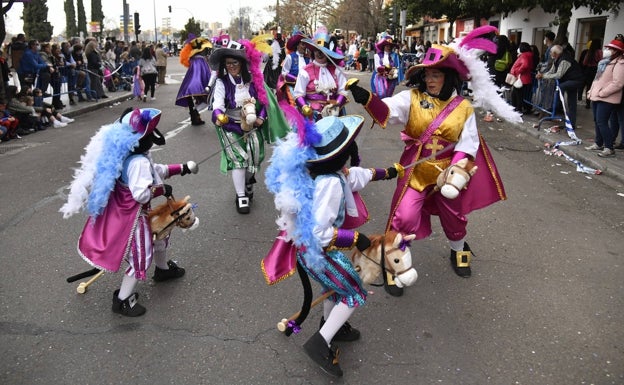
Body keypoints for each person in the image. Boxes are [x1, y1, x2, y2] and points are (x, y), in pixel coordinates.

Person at [348, 26, 519, 296]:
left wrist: (456, 170)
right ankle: (396, 264)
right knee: (403, 216)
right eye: (427, 74)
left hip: (447, 174)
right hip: (415, 170)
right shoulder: (412, 98)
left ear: (449, 77)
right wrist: (368, 99)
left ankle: (458, 248)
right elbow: (390, 110)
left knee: (454, 217)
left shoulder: (463, 108)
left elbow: (468, 143)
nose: (430, 80)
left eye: (436, 74)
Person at [263, 115, 399, 377]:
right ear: (344, 153)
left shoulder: (329, 174)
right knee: (354, 292)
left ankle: (332, 325)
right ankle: (320, 342)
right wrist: (355, 238)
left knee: (333, 287)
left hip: (309, 249)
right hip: (317, 251)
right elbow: (318, 232)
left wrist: (389, 172)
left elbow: (359, 176)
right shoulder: (331, 185)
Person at [60, 108, 199, 317]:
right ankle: (123, 299)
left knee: (161, 235)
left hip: (130, 214)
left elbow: (157, 170)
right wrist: (163, 190)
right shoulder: (139, 162)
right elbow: (141, 194)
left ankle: (162, 270)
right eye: (150, 134)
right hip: (134, 217)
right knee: (141, 257)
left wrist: (182, 167)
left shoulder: (132, 157)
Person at [210, 38, 290, 214]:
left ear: (242, 63)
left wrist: (261, 118)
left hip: (253, 125)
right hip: (230, 126)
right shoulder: (222, 82)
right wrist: (220, 117)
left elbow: (264, 103)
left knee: (254, 159)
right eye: (228, 63)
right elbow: (217, 106)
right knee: (238, 160)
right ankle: (241, 196)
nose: (231, 66)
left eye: (234, 62)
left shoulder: (254, 81)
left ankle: (247, 183)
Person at [293, 25, 348, 122]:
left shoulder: (336, 70)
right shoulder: (305, 71)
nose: (319, 53)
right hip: (312, 118)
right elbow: (298, 94)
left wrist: (336, 105)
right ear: (313, 52)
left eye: (322, 51)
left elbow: (343, 91)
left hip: (334, 116)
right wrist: (305, 108)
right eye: (317, 50)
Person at [585, 38, 624, 158]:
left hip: (607, 98)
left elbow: (618, 83)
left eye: (610, 49)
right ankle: (598, 143)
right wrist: (591, 91)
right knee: (597, 121)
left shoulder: (620, 63)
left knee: (602, 121)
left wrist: (603, 93)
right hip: (597, 95)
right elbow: (597, 79)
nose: (607, 50)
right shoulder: (605, 62)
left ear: (616, 51)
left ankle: (609, 147)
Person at [536, 45, 584, 131]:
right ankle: (571, 123)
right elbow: (552, 71)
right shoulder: (557, 59)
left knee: (562, 90)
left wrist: (543, 76)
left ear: (555, 53)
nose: (550, 53)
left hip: (575, 80)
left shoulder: (564, 60)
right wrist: (543, 75)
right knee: (571, 103)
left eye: (551, 52)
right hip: (570, 79)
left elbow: (558, 74)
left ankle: (557, 108)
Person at [175, 36, 213, 126]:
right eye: (205, 49)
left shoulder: (194, 59)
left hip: (191, 84)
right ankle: (195, 114)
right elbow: (205, 74)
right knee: (207, 99)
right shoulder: (200, 60)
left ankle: (195, 117)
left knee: (200, 101)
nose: (206, 51)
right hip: (199, 85)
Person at [277, 30, 310, 105]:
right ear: (297, 45)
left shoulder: (308, 59)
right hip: (292, 87)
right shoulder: (290, 57)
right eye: (302, 44)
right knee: (294, 106)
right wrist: (296, 79)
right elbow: (284, 73)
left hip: (306, 88)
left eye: (305, 44)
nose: (304, 46)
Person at [371, 34, 404, 98]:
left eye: (390, 46)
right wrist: (388, 71)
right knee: (381, 95)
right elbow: (377, 68)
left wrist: (394, 73)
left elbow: (396, 67)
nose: (389, 48)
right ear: (383, 46)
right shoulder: (377, 55)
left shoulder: (393, 56)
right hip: (380, 79)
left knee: (388, 98)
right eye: (387, 46)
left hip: (391, 80)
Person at [509, 42, 534, 114]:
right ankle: (518, 108)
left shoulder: (524, 56)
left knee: (517, 94)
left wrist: (518, 71)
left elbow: (525, 65)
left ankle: (517, 109)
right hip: (525, 78)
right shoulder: (528, 55)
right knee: (519, 94)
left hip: (521, 78)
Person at [579, 39, 603, 109]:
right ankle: (591, 102)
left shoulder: (589, 52)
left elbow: (584, 62)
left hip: (588, 70)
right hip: (595, 70)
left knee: (586, 85)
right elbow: (601, 61)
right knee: (593, 86)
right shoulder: (599, 52)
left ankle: (584, 101)